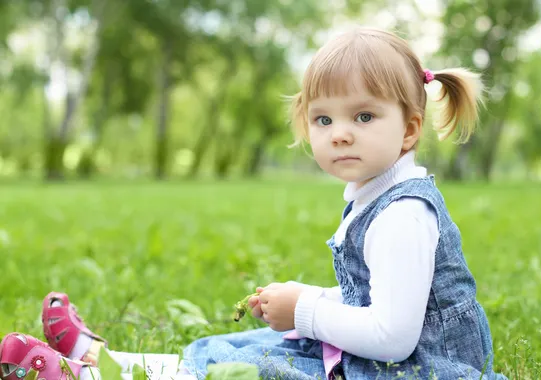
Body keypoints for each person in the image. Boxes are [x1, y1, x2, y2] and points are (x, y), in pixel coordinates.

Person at [0, 26, 507, 380]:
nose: (341, 135)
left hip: (417, 371)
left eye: (364, 117)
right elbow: (376, 298)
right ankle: (102, 360)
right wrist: (312, 295)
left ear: (410, 129)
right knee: (251, 348)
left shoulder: (402, 215)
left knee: (253, 371)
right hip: (388, 360)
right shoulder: (377, 193)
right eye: (324, 120)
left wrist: (305, 311)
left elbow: (394, 336)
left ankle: (85, 375)